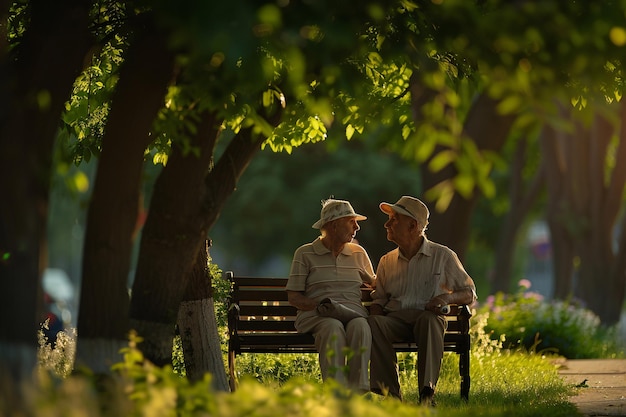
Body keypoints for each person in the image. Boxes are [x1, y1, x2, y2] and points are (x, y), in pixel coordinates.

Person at [368, 196, 476, 405]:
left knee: (429, 320)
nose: (387, 224)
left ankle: (427, 394)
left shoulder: (443, 255)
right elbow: (380, 299)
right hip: (396, 320)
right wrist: (373, 309)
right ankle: (391, 395)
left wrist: (446, 297)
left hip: (428, 318)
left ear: (413, 225)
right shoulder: (386, 261)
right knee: (373, 323)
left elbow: (469, 292)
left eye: (394, 219)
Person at [286, 199, 376, 392]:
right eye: (351, 221)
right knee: (332, 326)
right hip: (318, 316)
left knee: (361, 325)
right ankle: (336, 393)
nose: (357, 227)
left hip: (353, 313)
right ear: (334, 225)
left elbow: (375, 284)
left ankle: (358, 391)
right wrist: (320, 306)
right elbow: (294, 297)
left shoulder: (358, 253)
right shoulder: (305, 253)